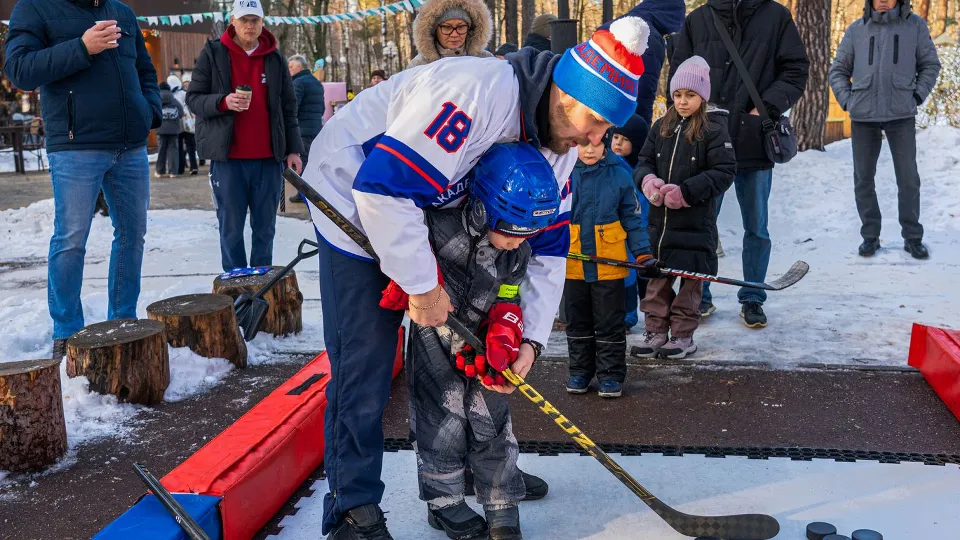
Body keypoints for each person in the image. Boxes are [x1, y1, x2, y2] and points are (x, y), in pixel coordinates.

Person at [299, 16, 651, 539]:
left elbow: (549, 250)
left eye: (605, 132)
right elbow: (383, 189)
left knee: (479, 346)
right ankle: (354, 504)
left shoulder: (560, 149)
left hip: (437, 214)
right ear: (565, 96)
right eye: (595, 124)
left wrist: (529, 337)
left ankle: (489, 474)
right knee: (367, 364)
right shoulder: (473, 93)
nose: (595, 140)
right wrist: (422, 285)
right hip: (353, 199)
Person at [381, 142, 560, 540]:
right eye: (511, 233)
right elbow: (403, 251)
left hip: (481, 343)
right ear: (482, 210)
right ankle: (444, 503)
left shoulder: (516, 252)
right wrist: (406, 281)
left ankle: (501, 498)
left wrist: (507, 327)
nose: (518, 242)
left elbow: (511, 294)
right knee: (440, 418)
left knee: (491, 416)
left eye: (527, 235)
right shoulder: (438, 228)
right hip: (433, 337)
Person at [4, 0, 161, 359]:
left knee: (132, 235)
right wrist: (81, 47)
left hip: (130, 145)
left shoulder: (121, 11)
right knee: (72, 238)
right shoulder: (33, 7)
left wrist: (147, 111)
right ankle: (67, 331)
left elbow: (144, 70)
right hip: (76, 145)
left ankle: (123, 322)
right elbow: (20, 70)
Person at [670, 0, 809, 327]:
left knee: (756, 226)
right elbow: (678, 76)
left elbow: (795, 69)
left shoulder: (776, 16)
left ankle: (752, 297)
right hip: (706, 141)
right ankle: (698, 295)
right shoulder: (699, 19)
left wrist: (765, 106)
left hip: (753, 139)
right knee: (701, 224)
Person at [186, 0, 304, 272]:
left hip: (267, 159)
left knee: (265, 229)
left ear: (262, 22)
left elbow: (289, 107)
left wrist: (294, 149)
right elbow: (193, 99)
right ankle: (235, 287)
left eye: (255, 20)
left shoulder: (274, 58)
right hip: (228, 160)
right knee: (231, 229)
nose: (249, 25)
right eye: (244, 20)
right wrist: (223, 102)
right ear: (233, 22)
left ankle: (261, 288)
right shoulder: (213, 53)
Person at [634, 56, 736, 358]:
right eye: (677, 95)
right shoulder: (661, 126)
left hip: (694, 226)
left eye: (690, 95)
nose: (682, 101)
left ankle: (681, 336)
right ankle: (654, 330)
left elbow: (724, 171)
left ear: (702, 96)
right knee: (656, 284)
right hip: (660, 228)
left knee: (690, 286)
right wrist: (649, 181)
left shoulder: (714, 129)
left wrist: (686, 192)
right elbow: (644, 161)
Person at [829, 0, 940, 260]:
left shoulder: (915, 26)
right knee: (863, 178)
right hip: (863, 116)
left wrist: (916, 96)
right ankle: (870, 236)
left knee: (908, 178)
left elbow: (930, 65)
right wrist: (848, 101)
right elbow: (838, 70)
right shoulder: (856, 29)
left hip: (901, 115)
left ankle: (913, 237)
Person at [564, 135, 651, 398]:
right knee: (577, 321)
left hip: (609, 264)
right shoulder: (563, 172)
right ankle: (579, 371)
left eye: (596, 144)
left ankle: (611, 375)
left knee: (609, 322)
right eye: (583, 144)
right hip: (573, 263)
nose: (589, 150)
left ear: (606, 144)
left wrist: (643, 253)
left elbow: (633, 218)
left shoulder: (619, 174)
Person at [601, 0, 685, 126]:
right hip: (618, 122)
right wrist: (643, 131)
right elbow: (644, 93)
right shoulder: (650, 38)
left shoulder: (608, 27)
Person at [610, 114, 651, 331]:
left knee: (637, 273)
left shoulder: (642, 170)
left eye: (624, 140)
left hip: (638, 230)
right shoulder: (610, 165)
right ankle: (623, 315)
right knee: (622, 275)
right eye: (615, 137)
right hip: (615, 230)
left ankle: (639, 316)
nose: (617, 143)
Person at [407, 0, 493, 68]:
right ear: (434, 31)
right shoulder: (420, 65)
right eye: (447, 27)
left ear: (470, 29)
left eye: (461, 27)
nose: (454, 34)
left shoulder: (485, 59)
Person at [288, 54, 325, 202]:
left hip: (301, 130)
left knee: (301, 163)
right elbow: (322, 108)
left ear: (299, 67)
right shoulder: (316, 83)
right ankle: (308, 194)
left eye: (291, 67)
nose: (289, 70)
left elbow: (292, 108)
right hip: (315, 129)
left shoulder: (298, 83)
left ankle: (303, 195)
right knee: (311, 162)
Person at [168, 74, 199, 175]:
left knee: (179, 146)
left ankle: (180, 168)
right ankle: (193, 166)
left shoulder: (171, 95)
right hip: (188, 123)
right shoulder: (183, 93)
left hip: (177, 123)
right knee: (190, 145)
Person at [156, 81, 184, 178]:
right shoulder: (174, 99)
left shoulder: (157, 99)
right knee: (173, 151)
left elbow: (154, 112)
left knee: (161, 150)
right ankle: (173, 172)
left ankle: (160, 171)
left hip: (161, 129)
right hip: (174, 130)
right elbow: (181, 112)